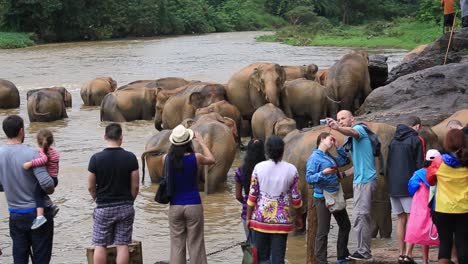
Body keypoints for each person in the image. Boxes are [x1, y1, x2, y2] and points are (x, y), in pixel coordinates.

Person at [0, 115, 55, 263]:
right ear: (21, 131)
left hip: (15, 215)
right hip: (38, 215)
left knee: (19, 257)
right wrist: (53, 181)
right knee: (41, 259)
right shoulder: (32, 154)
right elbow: (47, 185)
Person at [326, 110, 377, 260]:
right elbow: (357, 166)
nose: (340, 121)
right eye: (338, 119)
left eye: (343, 118)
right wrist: (342, 175)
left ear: (352, 118)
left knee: (360, 216)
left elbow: (353, 131)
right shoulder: (353, 141)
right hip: (360, 181)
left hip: (365, 181)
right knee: (360, 216)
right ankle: (363, 249)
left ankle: (364, 252)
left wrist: (337, 128)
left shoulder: (359, 129)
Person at [87, 123, 140, 264]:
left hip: (103, 207)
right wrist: (130, 201)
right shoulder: (130, 157)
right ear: (121, 137)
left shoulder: (96, 158)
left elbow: (91, 186)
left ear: (105, 136)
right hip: (125, 206)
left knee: (100, 244)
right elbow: (135, 186)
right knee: (122, 244)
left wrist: (97, 198)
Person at [246, 136, 303, 264]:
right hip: (281, 222)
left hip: (260, 220)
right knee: (278, 258)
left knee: (261, 259)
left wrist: (249, 217)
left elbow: (252, 196)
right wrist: (299, 218)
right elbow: (296, 199)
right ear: (282, 151)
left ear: (267, 151)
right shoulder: (291, 169)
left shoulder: (258, 168)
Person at [165, 124, 215, 264]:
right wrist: (202, 142)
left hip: (175, 206)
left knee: (176, 245)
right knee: (196, 244)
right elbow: (212, 159)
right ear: (188, 141)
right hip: (194, 205)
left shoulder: (167, 159)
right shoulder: (196, 157)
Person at [306, 132, 351, 264]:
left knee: (345, 225)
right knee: (323, 231)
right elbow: (309, 178)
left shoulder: (328, 155)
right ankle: (321, 260)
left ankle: (342, 256)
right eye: (329, 139)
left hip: (335, 194)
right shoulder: (314, 158)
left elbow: (345, 161)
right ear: (321, 140)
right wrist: (322, 173)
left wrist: (338, 147)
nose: (332, 141)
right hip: (323, 197)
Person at [386, 116, 424, 264]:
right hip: (409, 186)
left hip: (393, 186)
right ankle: (408, 255)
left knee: (400, 219)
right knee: (411, 219)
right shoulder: (416, 140)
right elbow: (420, 166)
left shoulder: (393, 140)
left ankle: (400, 254)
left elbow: (388, 164)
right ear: (416, 126)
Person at [426, 129, 468, 264]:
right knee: (463, 243)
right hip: (464, 209)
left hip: (442, 208)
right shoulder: (466, 161)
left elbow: (430, 180)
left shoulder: (438, 162)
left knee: (445, 244)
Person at [406, 149, 441, 264]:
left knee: (423, 236)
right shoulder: (440, 173)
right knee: (441, 234)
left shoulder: (418, 173)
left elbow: (411, 188)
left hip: (420, 209)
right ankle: (444, 259)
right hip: (436, 207)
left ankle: (425, 261)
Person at [23, 128, 60, 230]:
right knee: (42, 194)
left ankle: (40, 216)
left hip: (48, 179)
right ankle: (51, 206)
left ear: (39, 142)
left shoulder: (42, 153)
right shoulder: (55, 153)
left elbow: (44, 160)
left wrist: (30, 163)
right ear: (52, 141)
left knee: (37, 194)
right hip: (54, 179)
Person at [234, 138, 265, 241]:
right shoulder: (266, 170)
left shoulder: (241, 170)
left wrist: (246, 202)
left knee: (251, 246)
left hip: (246, 212)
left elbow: (238, 196)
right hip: (265, 212)